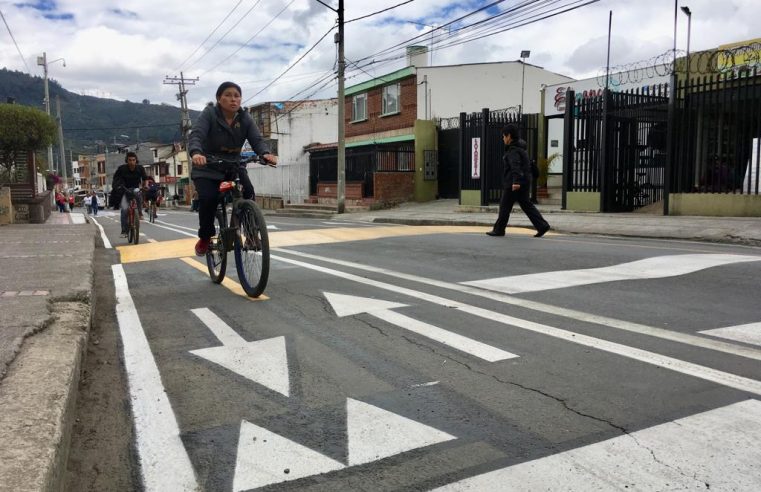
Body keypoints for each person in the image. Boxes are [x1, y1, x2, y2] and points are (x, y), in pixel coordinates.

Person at [188, 81, 277, 256]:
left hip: (233, 165)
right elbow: (197, 134)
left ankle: (251, 235)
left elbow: (256, 139)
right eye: (228, 95)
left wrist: (265, 153)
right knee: (209, 198)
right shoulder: (209, 114)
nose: (233, 99)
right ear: (219, 98)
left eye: (237, 96)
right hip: (207, 164)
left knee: (248, 191)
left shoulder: (245, 118)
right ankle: (206, 237)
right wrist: (196, 152)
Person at [487, 124, 550, 238]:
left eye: (503, 136)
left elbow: (515, 166)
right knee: (526, 205)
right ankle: (542, 225)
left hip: (514, 183)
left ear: (509, 136)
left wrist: (515, 182)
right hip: (525, 181)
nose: (503, 139)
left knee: (505, 206)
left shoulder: (513, 150)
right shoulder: (522, 149)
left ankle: (499, 230)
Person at [110, 151, 147, 237]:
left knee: (137, 193)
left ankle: (140, 213)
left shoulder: (140, 168)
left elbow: (145, 179)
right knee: (124, 210)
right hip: (124, 190)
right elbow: (115, 179)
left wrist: (145, 186)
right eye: (130, 160)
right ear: (127, 160)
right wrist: (117, 187)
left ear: (136, 160)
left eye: (133, 160)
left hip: (135, 188)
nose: (131, 162)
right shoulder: (121, 169)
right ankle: (124, 231)